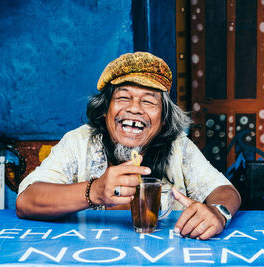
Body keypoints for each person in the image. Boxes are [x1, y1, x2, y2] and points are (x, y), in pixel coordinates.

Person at [16, 52, 241, 240]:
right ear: (105, 110)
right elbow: (26, 201)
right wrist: (94, 191)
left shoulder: (178, 147)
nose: (134, 108)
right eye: (123, 97)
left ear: (163, 120)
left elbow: (225, 191)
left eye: (149, 101)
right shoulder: (79, 141)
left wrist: (218, 212)